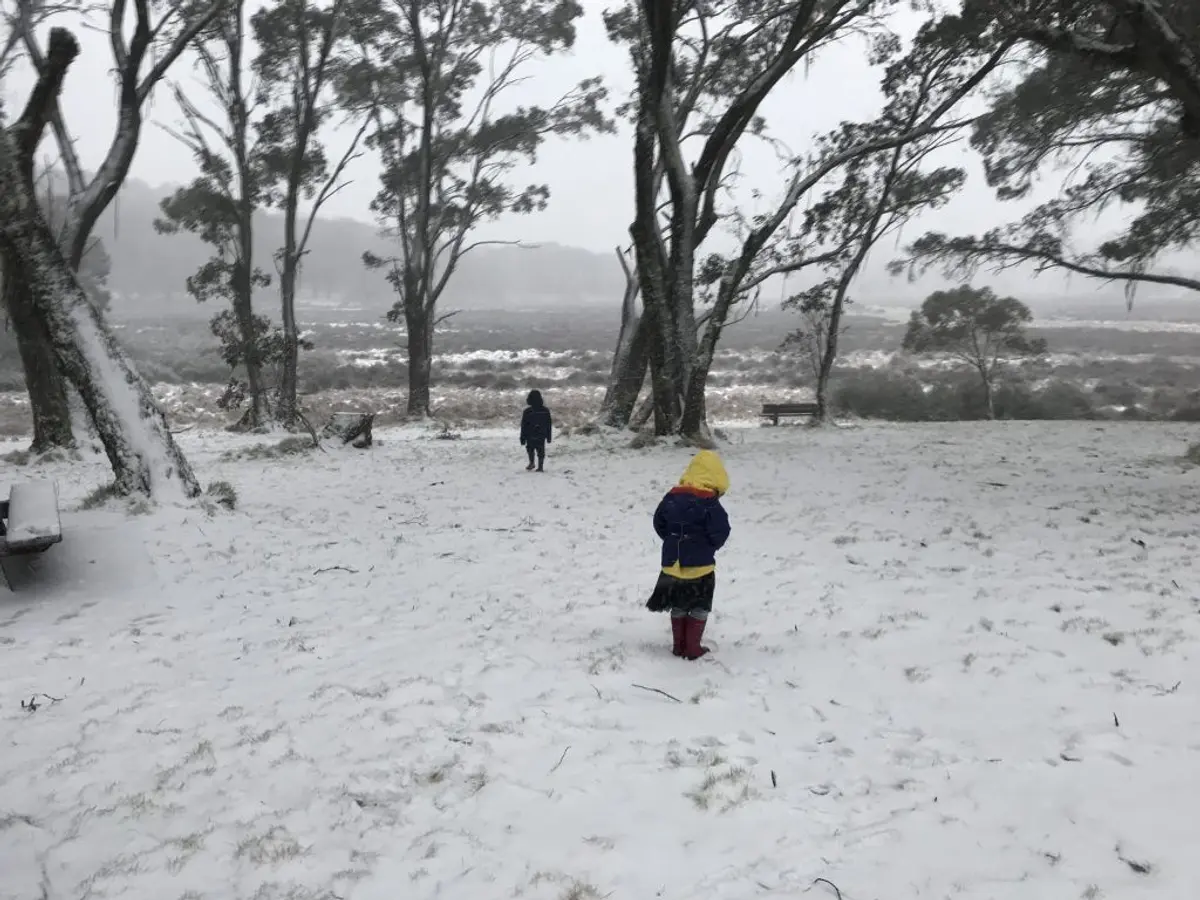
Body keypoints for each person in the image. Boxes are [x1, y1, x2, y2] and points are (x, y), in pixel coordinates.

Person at [646, 450, 731, 659]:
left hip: (672, 564)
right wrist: (708, 547)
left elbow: (659, 522)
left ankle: (678, 645)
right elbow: (721, 531)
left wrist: (672, 540)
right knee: (700, 604)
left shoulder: (672, 497)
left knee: (679, 603)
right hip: (700, 566)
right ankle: (692, 647)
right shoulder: (710, 503)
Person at [520, 389, 552, 472]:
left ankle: (532, 463)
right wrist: (549, 437)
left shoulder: (527, 412)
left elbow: (523, 426)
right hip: (541, 434)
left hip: (530, 434)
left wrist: (522, 438)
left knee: (530, 449)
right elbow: (549, 425)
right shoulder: (545, 411)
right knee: (541, 450)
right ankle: (540, 467)